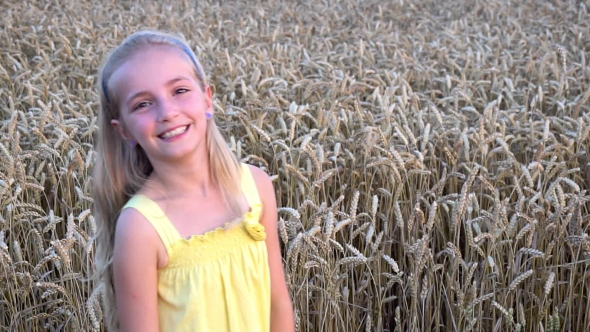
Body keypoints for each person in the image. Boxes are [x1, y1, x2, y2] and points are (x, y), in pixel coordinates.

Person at [92, 30, 294, 332]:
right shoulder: (141, 227)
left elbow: (277, 302)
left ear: (207, 99)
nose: (168, 112)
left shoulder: (256, 186)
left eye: (180, 91)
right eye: (143, 104)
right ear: (124, 131)